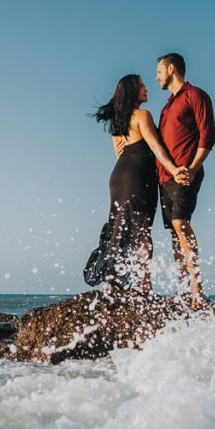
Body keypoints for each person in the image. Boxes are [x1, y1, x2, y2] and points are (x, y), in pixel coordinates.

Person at [85, 74, 185, 293]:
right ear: (132, 91)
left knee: (119, 228)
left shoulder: (117, 121)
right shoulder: (142, 115)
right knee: (141, 230)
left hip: (119, 176)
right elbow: (156, 146)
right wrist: (174, 169)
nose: (146, 89)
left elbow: (119, 154)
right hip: (139, 177)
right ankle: (144, 284)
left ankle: (113, 283)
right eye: (142, 86)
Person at [155, 53, 215, 306]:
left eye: (159, 71)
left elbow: (208, 136)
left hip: (185, 174)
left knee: (181, 223)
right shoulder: (167, 106)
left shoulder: (196, 95)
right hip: (164, 177)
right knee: (173, 232)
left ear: (171, 68)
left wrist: (191, 168)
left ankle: (197, 290)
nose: (157, 76)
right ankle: (182, 289)